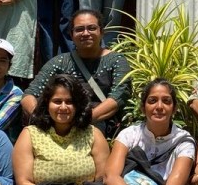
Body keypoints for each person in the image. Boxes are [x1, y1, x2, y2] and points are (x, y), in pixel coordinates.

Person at [23, 9, 130, 137]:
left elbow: (118, 97)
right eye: (79, 29)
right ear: (71, 35)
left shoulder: (117, 61)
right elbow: (28, 96)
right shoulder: (60, 62)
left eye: (91, 28)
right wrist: (45, 120)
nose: (85, 33)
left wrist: (80, 122)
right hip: (59, 130)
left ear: (101, 32)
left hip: (101, 132)